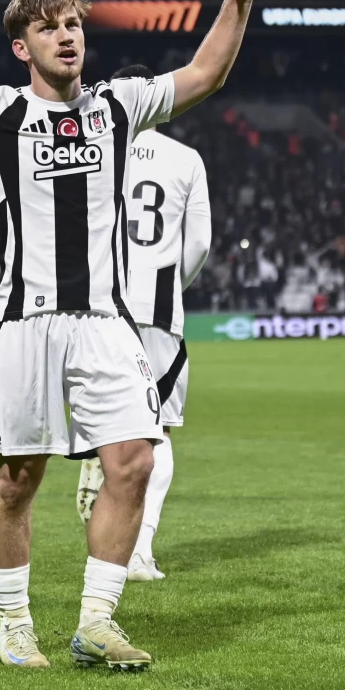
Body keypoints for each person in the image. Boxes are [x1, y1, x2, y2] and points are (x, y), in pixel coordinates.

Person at [0, 0, 290, 669]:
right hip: (23, 322)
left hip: (105, 322)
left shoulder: (119, 106)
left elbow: (205, 73)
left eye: (73, 25)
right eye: (48, 28)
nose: (67, 37)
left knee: (133, 462)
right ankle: (13, 625)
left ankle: (96, 621)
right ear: (20, 47)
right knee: (15, 481)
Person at [75, 65, 212, 582]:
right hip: (155, 307)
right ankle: (138, 551)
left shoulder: (91, 147)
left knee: (109, 416)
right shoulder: (186, 158)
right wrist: (173, 285)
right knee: (160, 430)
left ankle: (96, 460)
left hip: (95, 305)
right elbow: (199, 244)